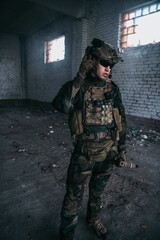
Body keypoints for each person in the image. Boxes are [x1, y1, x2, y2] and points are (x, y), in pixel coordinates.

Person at [52, 38, 126, 240]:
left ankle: (93, 219)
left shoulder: (113, 89)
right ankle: (67, 234)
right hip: (84, 154)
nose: (108, 68)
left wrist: (122, 148)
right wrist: (80, 75)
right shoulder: (77, 87)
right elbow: (62, 106)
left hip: (108, 152)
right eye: (104, 63)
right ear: (92, 61)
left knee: (97, 192)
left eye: (111, 65)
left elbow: (121, 119)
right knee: (73, 196)